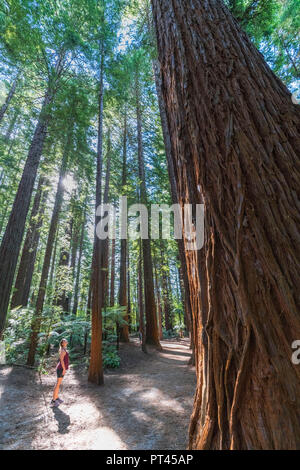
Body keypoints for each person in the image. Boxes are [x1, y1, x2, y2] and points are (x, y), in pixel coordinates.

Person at [51, 338, 69, 407]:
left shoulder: (64, 349)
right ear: (62, 343)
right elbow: (61, 360)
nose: (66, 341)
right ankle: (53, 400)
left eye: (66, 341)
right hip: (61, 369)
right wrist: (64, 369)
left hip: (62, 368)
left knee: (58, 384)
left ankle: (57, 397)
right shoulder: (62, 350)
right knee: (57, 384)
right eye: (64, 341)